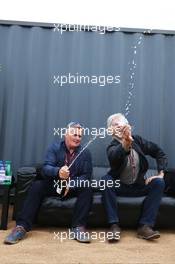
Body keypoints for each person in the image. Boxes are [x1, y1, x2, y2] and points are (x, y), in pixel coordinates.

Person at [4, 122, 93, 244]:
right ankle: (21, 227)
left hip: (72, 187)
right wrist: (58, 172)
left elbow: (86, 176)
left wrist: (71, 184)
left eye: (80, 136)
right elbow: (46, 168)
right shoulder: (54, 148)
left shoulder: (85, 153)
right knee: (37, 186)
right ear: (66, 134)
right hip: (54, 185)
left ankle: (78, 227)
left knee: (87, 188)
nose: (77, 138)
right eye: (75, 134)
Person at [102, 113, 168, 242]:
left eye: (122, 123)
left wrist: (161, 174)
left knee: (159, 183)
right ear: (111, 130)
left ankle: (145, 227)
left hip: (139, 186)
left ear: (128, 126)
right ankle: (114, 226)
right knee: (106, 180)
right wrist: (125, 144)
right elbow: (114, 157)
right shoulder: (111, 147)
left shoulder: (138, 141)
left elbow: (159, 152)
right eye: (116, 125)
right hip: (119, 186)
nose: (120, 126)